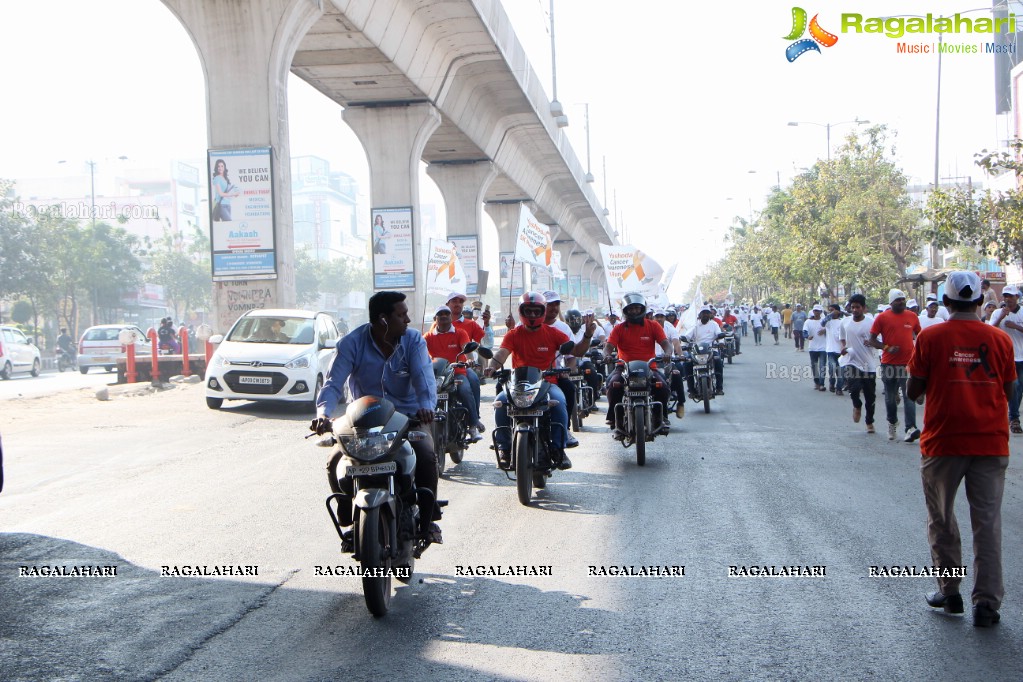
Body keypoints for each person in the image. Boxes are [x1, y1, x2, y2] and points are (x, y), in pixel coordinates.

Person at [906, 271, 1016, 628]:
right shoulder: (1000, 339)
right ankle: (987, 602)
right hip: (990, 441)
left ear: (947, 302)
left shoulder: (930, 337)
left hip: (943, 442)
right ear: (978, 301)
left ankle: (950, 591)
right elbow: (1010, 389)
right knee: (987, 523)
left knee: (942, 518)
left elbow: (913, 389)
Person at [311, 291, 442, 544]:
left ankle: (428, 521)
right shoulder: (351, 343)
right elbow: (333, 384)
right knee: (334, 460)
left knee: (426, 455)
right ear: (383, 320)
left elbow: (423, 379)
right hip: (363, 419)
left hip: (407, 417)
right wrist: (323, 414)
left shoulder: (413, 340)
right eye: (402, 315)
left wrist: (426, 407)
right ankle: (349, 520)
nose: (407, 319)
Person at [486, 292, 592, 469]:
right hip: (518, 384)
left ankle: (559, 448)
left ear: (542, 312)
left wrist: (587, 336)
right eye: (529, 311)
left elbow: (576, 352)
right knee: (500, 403)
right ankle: (504, 448)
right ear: (522, 312)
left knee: (559, 403)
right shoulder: (513, 334)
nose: (533, 315)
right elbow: (501, 353)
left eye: (537, 311)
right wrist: (492, 367)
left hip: (547, 382)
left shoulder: (554, 333)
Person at [604, 293, 674, 435]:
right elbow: (608, 347)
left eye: (637, 308)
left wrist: (668, 353)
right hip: (624, 367)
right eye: (631, 309)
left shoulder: (653, 326)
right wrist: (606, 355)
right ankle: (615, 420)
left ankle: (661, 417)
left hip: (648, 367)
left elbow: (666, 344)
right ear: (625, 311)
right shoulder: (618, 328)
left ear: (642, 309)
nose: (634, 311)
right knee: (613, 385)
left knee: (664, 387)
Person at [868, 288, 922, 442]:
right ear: (891, 302)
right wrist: (887, 348)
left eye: (903, 299)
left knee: (909, 396)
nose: (902, 302)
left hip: (907, 363)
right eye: (898, 300)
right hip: (888, 364)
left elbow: (920, 335)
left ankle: (910, 428)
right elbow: (872, 340)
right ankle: (892, 422)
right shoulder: (882, 318)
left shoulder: (912, 316)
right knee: (891, 398)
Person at [424, 305, 483, 442]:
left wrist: (469, 360)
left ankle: (473, 426)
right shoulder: (428, 336)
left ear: (451, 317)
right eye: (440, 314)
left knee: (465, 390)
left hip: (457, 372)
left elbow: (466, 349)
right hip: (437, 376)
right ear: (435, 318)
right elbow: (419, 353)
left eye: (446, 314)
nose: (444, 316)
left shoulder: (460, 333)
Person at [839, 294, 877, 433]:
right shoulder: (845, 322)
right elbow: (842, 338)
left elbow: (878, 340)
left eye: (858, 307)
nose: (854, 310)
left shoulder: (871, 323)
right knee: (853, 388)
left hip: (868, 363)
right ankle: (857, 405)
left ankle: (869, 422)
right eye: (852, 307)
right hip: (851, 360)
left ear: (864, 308)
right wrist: (843, 348)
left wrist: (872, 342)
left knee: (870, 396)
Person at [988, 285, 1023, 434]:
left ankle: (1012, 414)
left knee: (1019, 388)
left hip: (1022, 356)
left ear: (1017, 297)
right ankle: (1014, 418)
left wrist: (1016, 326)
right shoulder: (997, 312)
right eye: (1005, 296)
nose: (1008, 299)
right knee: (1013, 386)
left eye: (1011, 296)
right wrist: (1001, 316)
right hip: (1006, 357)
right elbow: (990, 332)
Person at [682, 306, 725, 396]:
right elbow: (687, 337)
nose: (705, 315)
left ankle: (719, 388)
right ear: (700, 315)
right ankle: (691, 389)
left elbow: (719, 334)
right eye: (703, 313)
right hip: (697, 351)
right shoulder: (695, 326)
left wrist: (721, 342)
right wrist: (684, 346)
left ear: (710, 315)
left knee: (718, 361)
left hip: (711, 350)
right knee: (687, 362)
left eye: (707, 313)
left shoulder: (714, 324)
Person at [822, 304, 846, 395]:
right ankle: (832, 384)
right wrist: (830, 315)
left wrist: (842, 312)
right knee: (832, 369)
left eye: (832, 310)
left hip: (841, 350)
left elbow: (851, 317)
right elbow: (822, 323)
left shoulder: (843, 321)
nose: (830, 312)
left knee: (841, 371)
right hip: (831, 350)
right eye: (829, 310)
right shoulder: (828, 322)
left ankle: (839, 388)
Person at [804, 305, 827, 391]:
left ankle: (821, 384)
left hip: (823, 347)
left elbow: (831, 330)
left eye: (818, 311)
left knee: (822, 366)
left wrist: (825, 330)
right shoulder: (808, 322)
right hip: (812, 347)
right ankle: (816, 382)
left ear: (821, 312)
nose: (816, 312)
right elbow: (805, 331)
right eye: (815, 311)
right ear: (813, 312)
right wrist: (807, 336)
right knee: (814, 366)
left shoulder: (824, 322)